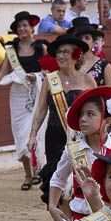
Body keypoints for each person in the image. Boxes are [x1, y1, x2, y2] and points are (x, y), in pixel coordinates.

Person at [28, 34, 97, 205]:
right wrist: (32, 134)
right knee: (57, 179)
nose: (61, 56)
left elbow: (97, 109)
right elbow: (41, 109)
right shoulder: (50, 80)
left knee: (81, 178)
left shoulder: (88, 80)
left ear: (76, 55)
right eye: (58, 52)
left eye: (66, 52)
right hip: (55, 136)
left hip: (80, 136)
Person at [48, 85, 111, 221]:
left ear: (107, 121)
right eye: (81, 115)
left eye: (90, 114)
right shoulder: (73, 150)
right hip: (82, 218)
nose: (83, 119)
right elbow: (58, 178)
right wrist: (52, 206)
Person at [0, 11, 48, 192]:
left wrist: (36, 77)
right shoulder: (11, 50)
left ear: (32, 27)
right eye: (19, 26)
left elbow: (49, 72)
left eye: (25, 25)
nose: (22, 29)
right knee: (20, 137)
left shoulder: (42, 48)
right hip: (18, 95)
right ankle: (28, 173)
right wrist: (9, 78)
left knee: (36, 133)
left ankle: (39, 170)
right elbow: (1, 74)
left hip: (38, 93)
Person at [72, 18, 111, 87]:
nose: (83, 41)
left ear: (93, 42)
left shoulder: (104, 65)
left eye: (87, 38)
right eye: (79, 38)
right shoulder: (70, 64)